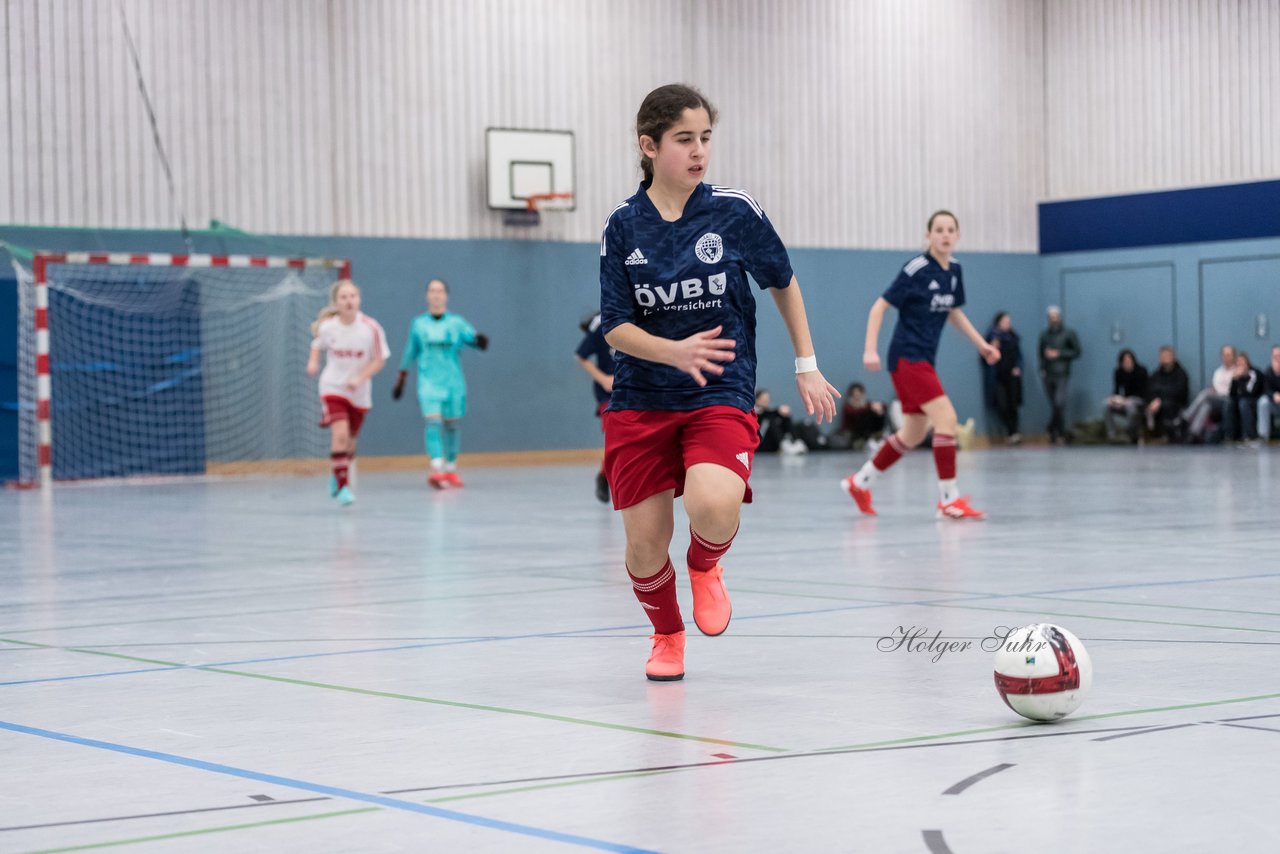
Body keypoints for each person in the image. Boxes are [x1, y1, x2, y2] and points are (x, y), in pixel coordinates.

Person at [599, 84, 838, 682]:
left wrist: (805, 364)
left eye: (706, 137)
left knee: (713, 504)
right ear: (649, 146)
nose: (700, 150)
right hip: (640, 400)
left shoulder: (734, 211)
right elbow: (616, 327)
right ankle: (667, 636)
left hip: (719, 390)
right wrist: (672, 351)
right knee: (644, 550)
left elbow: (783, 282)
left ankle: (706, 566)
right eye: (685, 139)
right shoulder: (623, 227)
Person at [841, 210, 1000, 520]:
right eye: (938, 229)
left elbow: (953, 311)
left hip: (925, 358)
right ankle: (948, 499)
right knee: (946, 417)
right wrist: (870, 349)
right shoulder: (916, 269)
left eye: (950, 229)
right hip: (906, 357)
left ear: (957, 236)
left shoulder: (954, 270)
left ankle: (860, 483)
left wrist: (981, 345)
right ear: (928, 236)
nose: (944, 234)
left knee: (913, 432)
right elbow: (879, 307)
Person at [392, 279, 489, 488]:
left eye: (440, 291)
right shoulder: (418, 324)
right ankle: (437, 468)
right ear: (427, 296)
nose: (436, 295)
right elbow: (411, 350)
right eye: (432, 291)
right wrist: (402, 377)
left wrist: (480, 342)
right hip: (429, 382)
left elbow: (473, 338)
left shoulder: (456, 323)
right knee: (433, 422)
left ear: (446, 296)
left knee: (452, 425)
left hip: (453, 383)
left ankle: (451, 468)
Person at [306, 280, 389, 506]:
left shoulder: (371, 328)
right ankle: (343, 486)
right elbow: (317, 344)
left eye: (352, 296)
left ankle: (336, 473)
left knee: (350, 442)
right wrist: (313, 363)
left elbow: (380, 360)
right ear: (336, 302)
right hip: (333, 387)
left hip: (359, 392)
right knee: (340, 434)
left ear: (359, 299)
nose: (348, 301)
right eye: (343, 297)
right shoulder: (328, 327)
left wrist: (360, 378)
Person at [574, 312, 615, 502]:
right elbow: (581, 355)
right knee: (615, 438)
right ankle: (604, 477)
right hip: (609, 396)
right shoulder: (602, 322)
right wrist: (603, 379)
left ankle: (604, 474)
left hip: (639, 391)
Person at [1038, 306, 1081, 444]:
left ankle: (1054, 429)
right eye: (1051, 317)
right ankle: (1056, 433)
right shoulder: (1044, 335)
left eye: (1056, 316)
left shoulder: (1069, 333)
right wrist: (1042, 369)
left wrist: (1060, 354)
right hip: (1048, 374)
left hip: (1062, 373)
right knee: (1055, 406)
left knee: (1059, 402)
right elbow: (1040, 354)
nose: (1054, 319)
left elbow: (1077, 351)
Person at [1182, 344, 1236, 443]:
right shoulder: (1218, 372)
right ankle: (1194, 433)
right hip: (1216, 400)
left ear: (1233, 356)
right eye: (1224, 355)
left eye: (1229, 355)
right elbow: (1216, 387)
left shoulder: (1236, 371)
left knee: (1205, 394)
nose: (1226, 357)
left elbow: (1230, 391)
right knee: (1206, 405)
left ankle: (1186, 416)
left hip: (1229, 400)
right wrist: (1215, 393)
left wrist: (1216, 393)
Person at [986, 311, 1024, 444]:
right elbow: (985, 356)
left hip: (1012, 375)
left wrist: (1018, 367)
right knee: (1002, 404)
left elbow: (1019, 356)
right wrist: (992, 346)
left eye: (1009, 321)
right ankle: (1010, 431)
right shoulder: (992, 336)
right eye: (1005, 321)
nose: (1008, 324)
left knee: (1013, 404)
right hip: (998, 375)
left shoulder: (1013, 337)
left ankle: (1014, 432)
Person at [1144, 345, 1190, 439]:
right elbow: (1150, 390)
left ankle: (1166, 434)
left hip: (1176, 404)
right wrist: (1154, 400)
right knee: (1146, 407)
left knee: (1166, 406)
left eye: (1167, 356)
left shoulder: (1181, 374)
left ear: (1173, 357)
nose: (1165, 358)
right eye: (1162, 356)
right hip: (1157, 403)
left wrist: (1160, 400)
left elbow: (1179, 392)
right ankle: (1151, 434)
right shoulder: (1156, 374)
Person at [1103, 348, 1148, 444]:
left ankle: (1129, 433)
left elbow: (1143, 391)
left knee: (1130, 405)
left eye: (1129, 359)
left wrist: (1125, 401)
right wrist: (1115, 399)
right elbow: (1117, 390)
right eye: (1124, 360)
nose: (1127, 362)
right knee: (1106, 405)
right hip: (1124, 400)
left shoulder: (1141, 371)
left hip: (1139, 400)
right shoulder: (1118, 372)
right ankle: (1112, 434)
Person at [1223, 351, 1264, 446]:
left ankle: (1250, 435)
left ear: (1247, 364)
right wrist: (1234, 380)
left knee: (1243, 403)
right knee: (1229, 402)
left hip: (1255, 399)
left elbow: (1250, 392)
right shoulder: (1237, 376)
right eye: (1238, 364)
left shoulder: (1254, 373)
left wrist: (1243, 378)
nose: (1240, 366)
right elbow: (1232, 394)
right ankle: (1229, 435)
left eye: (1242, 363)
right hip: (1242, 399)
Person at [754, 389, 806, 454]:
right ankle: (784, 444)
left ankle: (797, 441)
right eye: (764, 399)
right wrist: (778, 410)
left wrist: (782, 412)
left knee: (785, 417)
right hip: (760, 443)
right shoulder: (754, 412)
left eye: (767, 398)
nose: (766, 401)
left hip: (772, 443)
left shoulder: (769, 412)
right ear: (757, 400)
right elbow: (763, 414)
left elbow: (769, 412)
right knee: (771, 420)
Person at [839, 382, 888, 449]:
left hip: (868, 431)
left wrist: (878, 408)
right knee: (864, 416)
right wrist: (870, 407)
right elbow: (856, 413)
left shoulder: (866, 404)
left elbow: (883, 406)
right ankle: (868, 440)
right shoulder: (848, 407)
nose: (857, 396)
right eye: (855, 394)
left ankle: (877, 437)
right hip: (854, 435)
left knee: (877, 413)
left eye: (859, 394)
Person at [1259, 345, 1280, 441]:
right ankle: (1264, 435)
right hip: (1274, 403)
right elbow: (1266, 390)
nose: (1277, 358)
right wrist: (1274, 395)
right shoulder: (1268, 372)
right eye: (1275, 356)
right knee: (1263, 402)